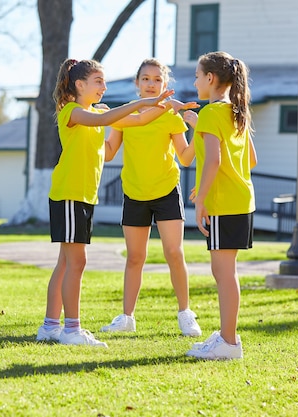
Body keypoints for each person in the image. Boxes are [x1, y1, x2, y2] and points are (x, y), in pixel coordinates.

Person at [35, 58, 196, 347]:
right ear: (80, 85)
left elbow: (137, 120)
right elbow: (105, 121)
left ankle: (50, 325)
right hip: (71, 193)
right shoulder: (74, 112)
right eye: (99, 82)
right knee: (76, 262)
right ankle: (71, 328)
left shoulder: (95, 111)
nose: (104, 87)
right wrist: (141, 104)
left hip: (82, 195)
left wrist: (162, 106)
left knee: (65, 262)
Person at [100, 58, 202, 337]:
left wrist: (199, 132)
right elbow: (108, 152)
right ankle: (127, 317)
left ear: (164, 84)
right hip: (134, 192)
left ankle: (185, 314)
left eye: (157, 79)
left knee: (173, 252)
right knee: (135, 257)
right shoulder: (123, 116)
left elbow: (184, 156)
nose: (150, 84)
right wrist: (93, 123)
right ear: (137, 83)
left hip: (166, 189)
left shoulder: (170, 115)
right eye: (145, 78)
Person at [183, 51, 258, 360]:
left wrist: (202, 200)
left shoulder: (213, 114)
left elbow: (213, 159)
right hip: (242, 201)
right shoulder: (236, 112)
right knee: (226, 271)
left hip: (224, 204)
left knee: (223, 272)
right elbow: (250, 159)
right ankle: (227, 337)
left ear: (210, 79)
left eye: (198, 75)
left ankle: (228, 342)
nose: (196, 80)